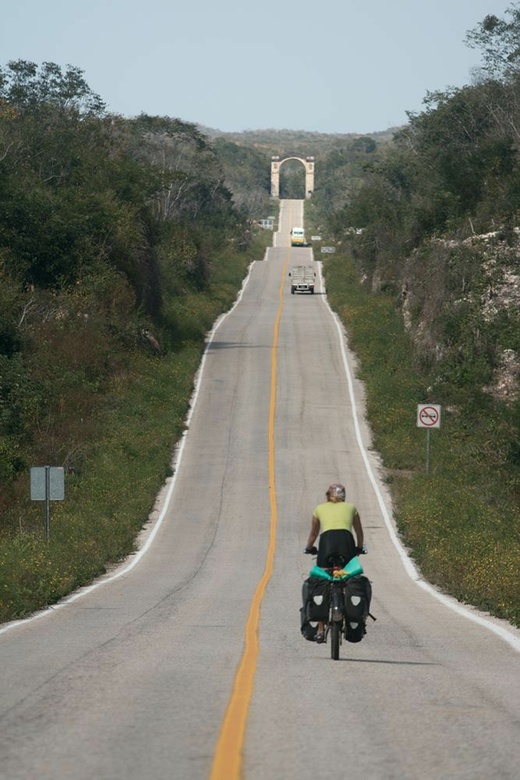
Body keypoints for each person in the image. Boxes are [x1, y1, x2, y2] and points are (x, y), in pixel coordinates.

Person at [304, 483, 365, 642]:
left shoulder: (319, 509)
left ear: (327, 495)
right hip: (346, 543)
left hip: (327, 543)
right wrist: (359, 548)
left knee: (323, 581)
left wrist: (309, 548)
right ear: (344, 496)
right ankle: (347, 606)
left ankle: (320, 629)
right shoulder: (351, 508)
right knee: (347, 577)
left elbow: (313, 534)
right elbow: (359, 532)